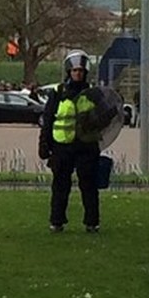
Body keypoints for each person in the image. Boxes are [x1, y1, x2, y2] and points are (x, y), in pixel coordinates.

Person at [38, 50, 102, 234]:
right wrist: (44, 145)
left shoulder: (92, 94)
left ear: (85, 72)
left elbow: (103, 119)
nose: (77, 74)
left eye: (81, 71)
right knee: (60, 186)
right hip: (62, 147)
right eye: (74, 70)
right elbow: (48, 119)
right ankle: (56, 221)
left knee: (89, 186)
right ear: (69, 72)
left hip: (86, 146)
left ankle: (92, 222)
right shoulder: (58, 93)